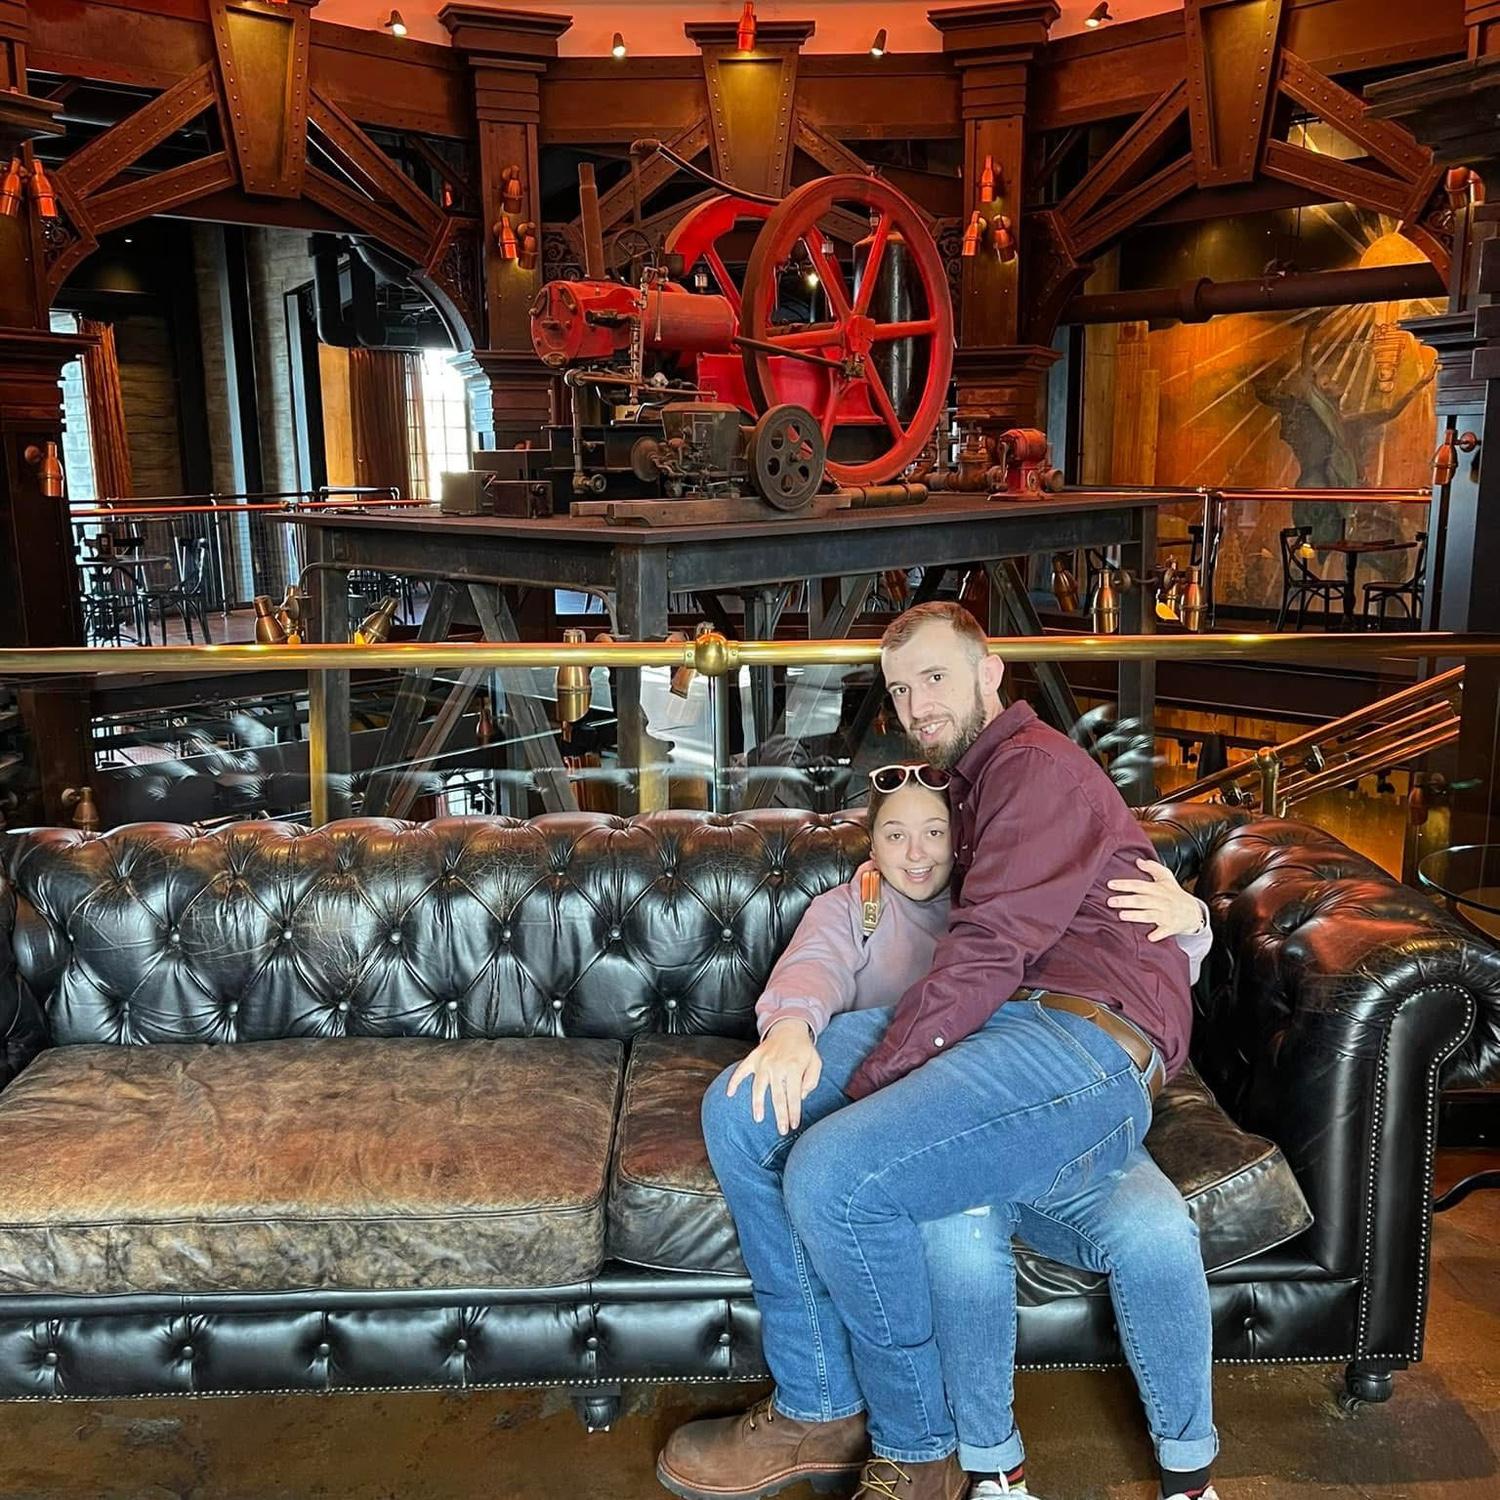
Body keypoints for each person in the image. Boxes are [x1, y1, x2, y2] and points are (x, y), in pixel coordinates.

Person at [658, 602, 1220, 1500]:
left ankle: (920, 1449)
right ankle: (818, 1405)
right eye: (899, 689)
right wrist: (794, 1029)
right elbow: (863, 944)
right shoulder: (969, 789)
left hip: (1079, 1040)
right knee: (742, 1108)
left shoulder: (1032, 768)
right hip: (1011, 1024)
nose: (916, 704)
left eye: (935, 677)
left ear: (990, 673)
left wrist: (877, 1088)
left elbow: (987, 950)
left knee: (833, 1174)